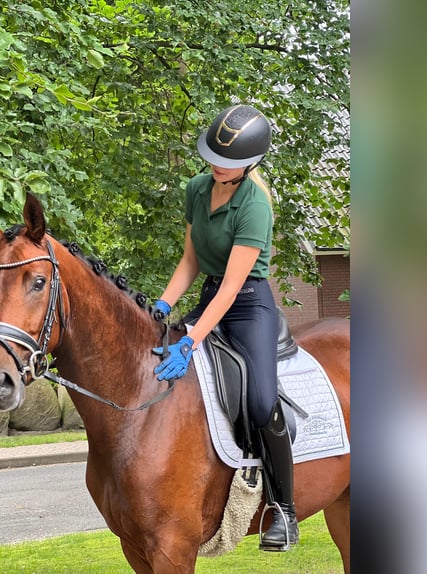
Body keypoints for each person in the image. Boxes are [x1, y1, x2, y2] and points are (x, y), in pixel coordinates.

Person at [151, 103, 299, 550]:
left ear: (250, 163)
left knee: (259, 401)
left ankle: (285, 511)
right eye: (215, 155)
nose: (217, 165)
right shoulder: (197, 189)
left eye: (229, 162)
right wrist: (163, 304)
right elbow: (191, 260)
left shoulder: (255, 206)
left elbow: (233, 287)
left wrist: (192, 339)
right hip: (209, 297)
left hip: (248, 305)